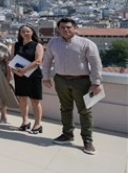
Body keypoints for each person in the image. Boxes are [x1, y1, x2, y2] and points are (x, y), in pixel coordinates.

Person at [42, 17, 103, 155]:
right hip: (60, 80)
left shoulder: (86, 43)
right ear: (58, 29)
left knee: (85, 110)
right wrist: (45, 77)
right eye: (62, 27)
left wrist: (96, 82)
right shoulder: (53, 42)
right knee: (65, 108)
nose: (65, 30)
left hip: (81, 81)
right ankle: (67, 134)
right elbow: (47, 61)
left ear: (75, 28)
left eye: (69, 27)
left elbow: (95, 63)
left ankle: (87, 140)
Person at [11, 25, 44, 134]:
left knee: (35, 100)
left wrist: (24, 70)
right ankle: (25, 122)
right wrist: (16, 72)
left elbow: (38, 61)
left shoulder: (37, 45)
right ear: (20, 33)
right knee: (22, 99)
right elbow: (12, 60)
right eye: (23, 31)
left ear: (32, 32)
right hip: (19, 75)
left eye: (27, 31)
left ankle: (37, 124)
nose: (25, 33)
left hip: (33, 76)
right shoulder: (15, 45)